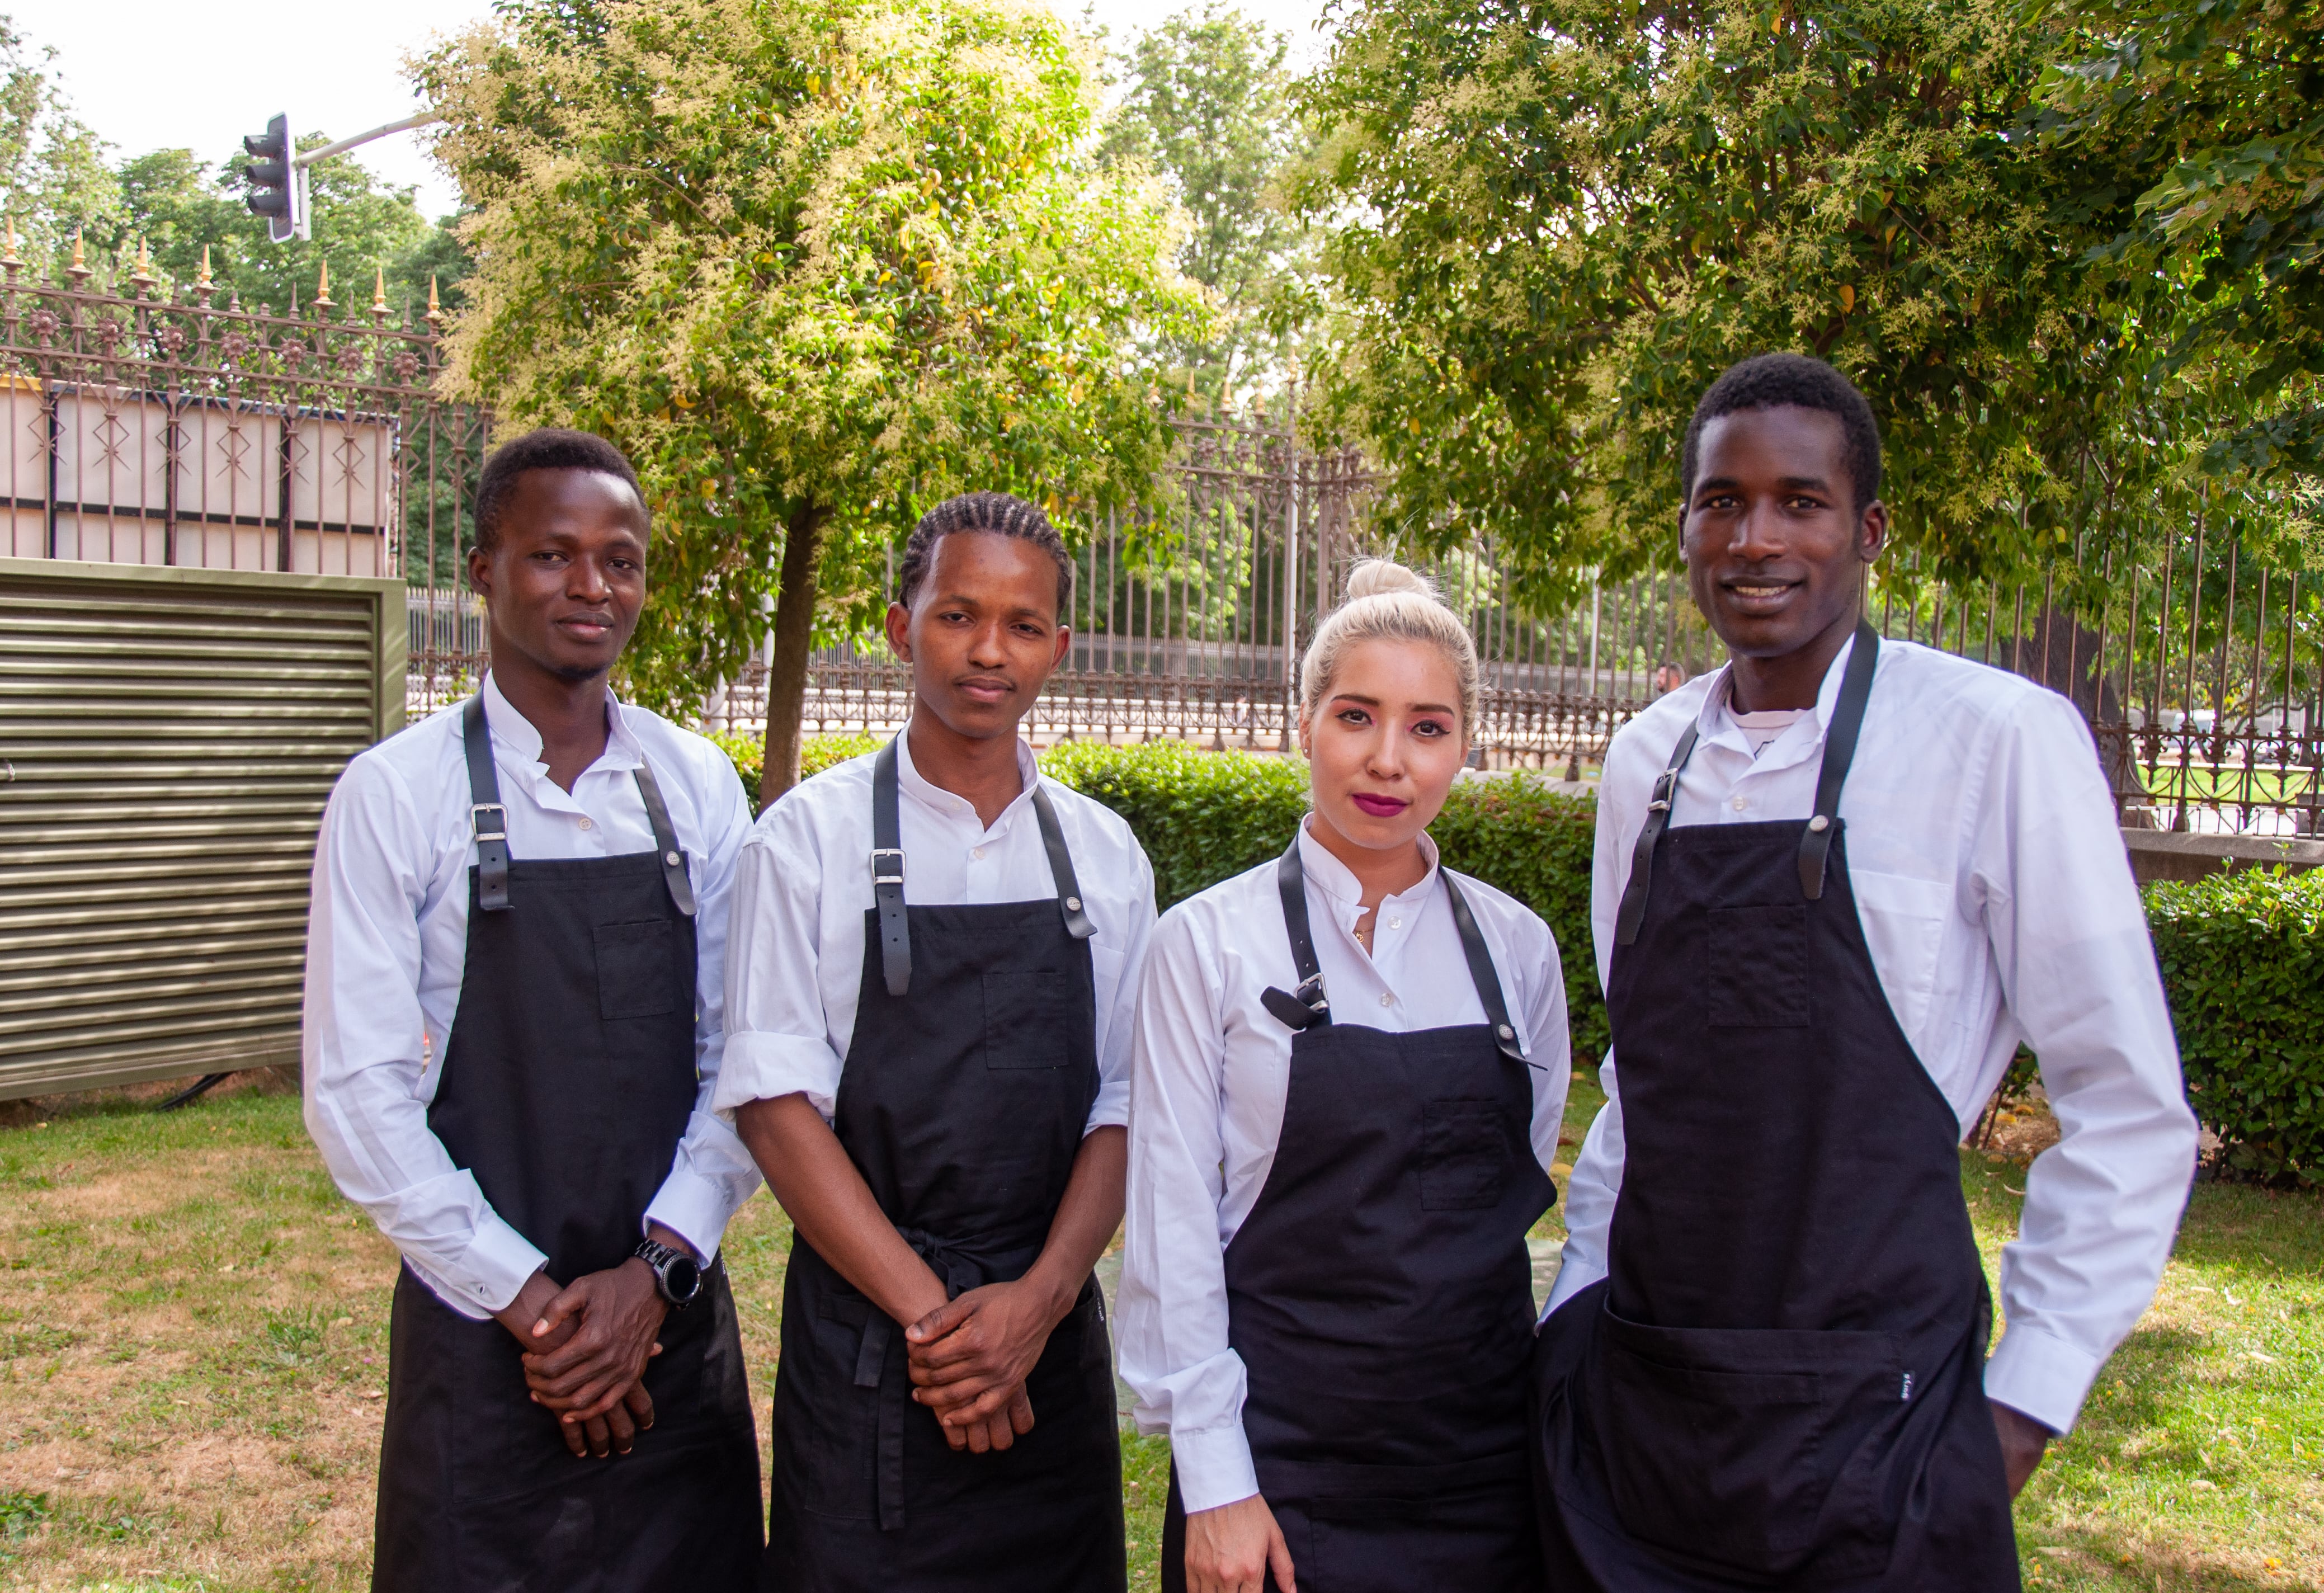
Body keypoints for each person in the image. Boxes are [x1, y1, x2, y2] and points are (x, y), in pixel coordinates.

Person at [1534, 355, 2198, 1591]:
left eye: (1799, 500)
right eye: (1719, 501)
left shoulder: (1995, 740)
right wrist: (1573, 1312)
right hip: (1642, 1413)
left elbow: (2126, 1108)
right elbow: (1648, 1077)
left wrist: (2020, 1405)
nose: (1754, 538)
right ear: (1682, 526)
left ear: (1868, 530)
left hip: (1884, 1432)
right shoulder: (1645, 764)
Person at [300, 428, 763, 1591]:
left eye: (621, 558)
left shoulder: (698, 786)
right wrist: (531, 1300)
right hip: (483, 1339)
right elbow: (357, 1095)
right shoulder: (393, 797)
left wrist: (652, 1277)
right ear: (482, 569)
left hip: (671, 1326)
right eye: (553, 554)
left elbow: (746, 1057)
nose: (592, 585)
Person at [720, 491, 1157, 1592]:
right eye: (958, 614)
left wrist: (1043, 1298)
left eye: (1021, 624)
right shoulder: (803, 845)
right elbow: (774, 1107)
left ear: (1059, 645)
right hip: (873, 1355)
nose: (987, 651)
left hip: (1048, 1349)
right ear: (896, 625)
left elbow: (1124, 1102)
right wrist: (943, 1329)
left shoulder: (1107, 861)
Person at [1121, 559, 1572, 1593]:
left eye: (1428, 727)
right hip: (1279, 1474)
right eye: (1356, 716)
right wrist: (1220, 1482)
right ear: (1305, 721)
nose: (1388, 761)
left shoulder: (1519, 951)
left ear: (1467, 743)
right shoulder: (1208, 945)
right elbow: (1174, 1227)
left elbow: (1522, 1171)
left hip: (1486, 1473)